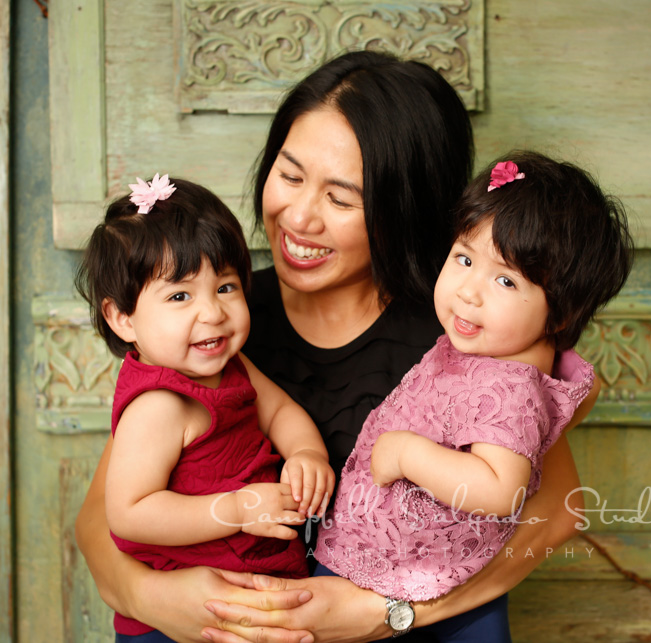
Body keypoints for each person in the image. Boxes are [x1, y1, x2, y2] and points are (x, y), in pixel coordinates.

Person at [76, 51, 601, 643]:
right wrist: (157, 599)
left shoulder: (464, 332)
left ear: (403, 209)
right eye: (291, 176)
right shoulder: (216, 321)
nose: (299, 217)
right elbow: (102, 518)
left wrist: (385, 611)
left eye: (342, 198)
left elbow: (557, 510)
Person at [313, 151, 633, 642]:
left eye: (505, 280)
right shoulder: (487, 351)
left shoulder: (509, 386)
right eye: (464, 258)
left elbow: (500, 490)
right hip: (398, 564)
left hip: (417, 579)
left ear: (560, 314)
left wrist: (408, 453)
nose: (468, 291)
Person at [75, 175, 335, 641]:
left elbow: (279, 412)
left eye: (226, 287)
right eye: (180, 296)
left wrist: (306, 454)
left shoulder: (232, 364)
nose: (212, 313)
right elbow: (130, 513)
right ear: (123, 318)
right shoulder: (158, 405)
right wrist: (236, 509)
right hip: (180, 621)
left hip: (257, 586)